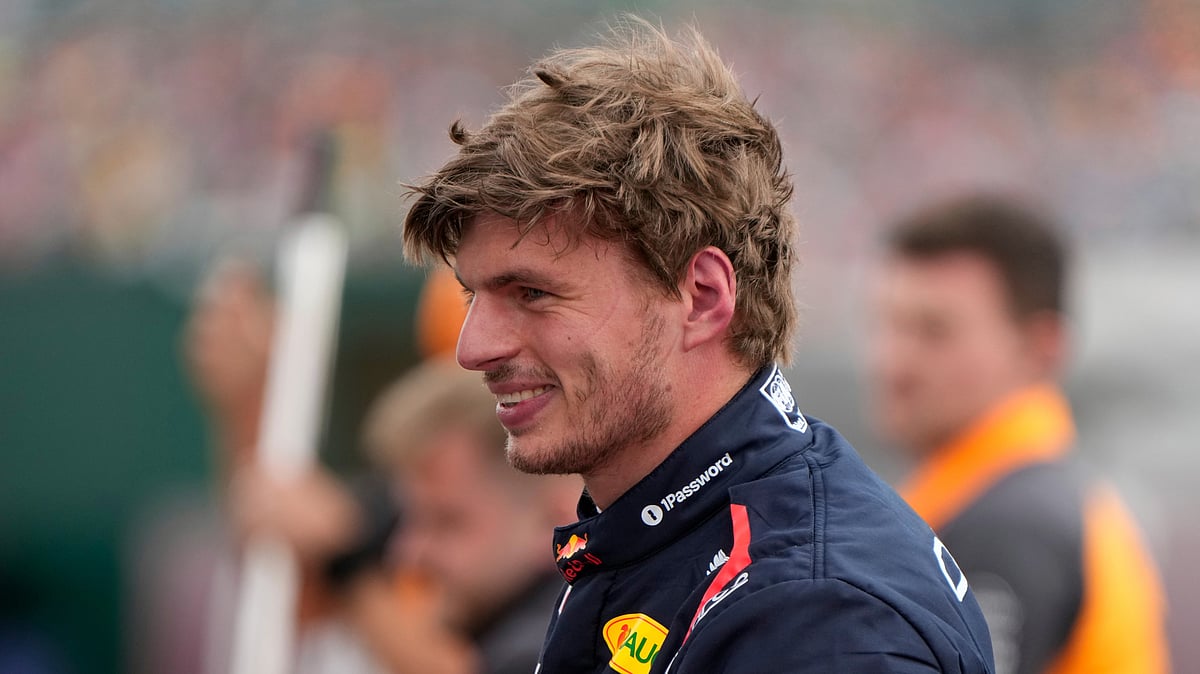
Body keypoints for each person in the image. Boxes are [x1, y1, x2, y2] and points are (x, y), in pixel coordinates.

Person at [401, 18, 995, 673]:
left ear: (705, 298)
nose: (473, 349)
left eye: (532, 293)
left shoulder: (814, 615)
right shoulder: (661, 536)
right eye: (473, 296)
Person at [186, 266, 578, 674]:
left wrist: (345, 560)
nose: (409, 553)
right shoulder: (431, 520)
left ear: (553, 518)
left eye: (448, 522)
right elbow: (291, 564)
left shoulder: (572, 626)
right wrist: (250, 402)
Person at [868, 194, 1169, 674]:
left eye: (934, 331)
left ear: (1040, 347)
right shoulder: (1033, 500)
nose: (894, 362)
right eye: (890, 324)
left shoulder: (1010, 525)